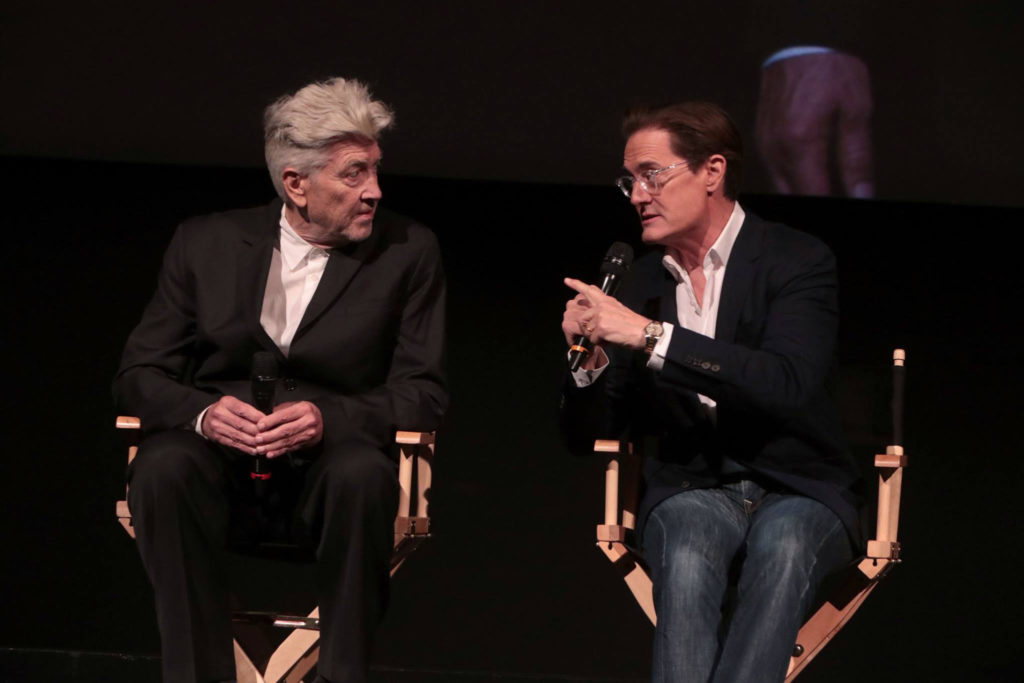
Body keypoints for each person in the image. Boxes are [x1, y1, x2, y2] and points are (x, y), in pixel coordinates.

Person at [114, 77, 447, 683]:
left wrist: (331, 420)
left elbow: (424, 390)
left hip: (326, 479)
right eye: (353, 174)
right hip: (219, 470)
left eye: (375, 170)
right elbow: (140, 373)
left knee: (365, 473)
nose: (374, 191)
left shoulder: (408, 250)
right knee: (162, 465)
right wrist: (204, 414)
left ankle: (342, 675)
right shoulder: (206, 242)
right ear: (296, 184)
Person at [560, 102, 863, 683]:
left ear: (712, 172)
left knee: (786, 547)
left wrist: (652, 337)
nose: (636, 195)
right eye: (629, 180)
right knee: (691, 550)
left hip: (800, 484)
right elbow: (587, 436)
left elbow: (786, 382)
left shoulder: (795, 259)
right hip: (693, 484)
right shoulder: (642, 284)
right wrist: (589, 364)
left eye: (651, 174)